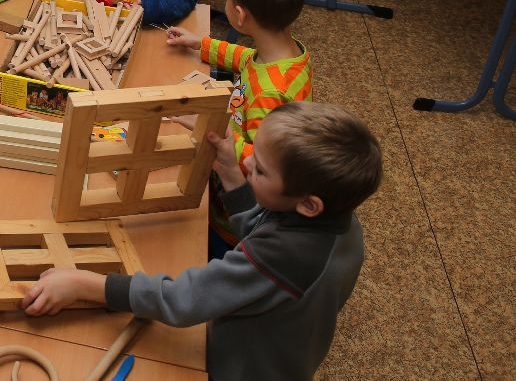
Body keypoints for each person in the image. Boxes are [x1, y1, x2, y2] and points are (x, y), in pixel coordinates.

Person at [21, 101, 383, 381]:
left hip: (247, 368)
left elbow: (183, 300)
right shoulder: (340, 223)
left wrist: (88, 284)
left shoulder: (283, 257)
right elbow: (269, 231)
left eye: (259, 169)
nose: (249, 163)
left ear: (308, 203)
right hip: (289, 347)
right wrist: (230, 174)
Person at [166, 0, 312, 257]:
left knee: (212, 253)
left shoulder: (269, 94)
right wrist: (201, 44)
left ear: (240, 15)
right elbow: (247, 58)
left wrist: (217, 135)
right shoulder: (284, 53)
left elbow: (262, 163)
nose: (226, 1)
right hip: (236, 173)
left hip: (239, 218)